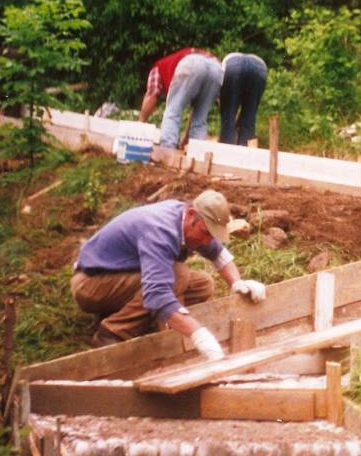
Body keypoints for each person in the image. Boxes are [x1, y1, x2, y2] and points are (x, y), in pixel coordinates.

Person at [70, 190, 267, 360]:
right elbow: (157, 294)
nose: (207, 240)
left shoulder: (188, 221)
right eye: (206, 233)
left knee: (203, 284)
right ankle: (112, 332)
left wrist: (238, 283)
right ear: (191, 215)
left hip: (120, 274)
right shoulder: (159, 231)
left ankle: (146, 317)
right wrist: (199, 335)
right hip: (91, 284)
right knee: (178, 275)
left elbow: (218, 253)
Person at [139, 48, 223, 149]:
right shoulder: (176, 60)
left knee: (173, 111)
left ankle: (167, 148)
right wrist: (186, 138)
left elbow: (151, 95)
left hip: (192, 63)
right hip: (217, 67)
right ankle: (197, 152)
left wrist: (140, 124)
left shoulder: (157, 67)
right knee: (200, 117)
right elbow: (195, 111)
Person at [219, 52, 268, 146]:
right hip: (260, 67)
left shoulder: (225, 63)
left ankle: (226, 150)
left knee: (228, 115)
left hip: (233, 67)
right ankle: (244, 150)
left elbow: (223, 105)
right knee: (250, 115)